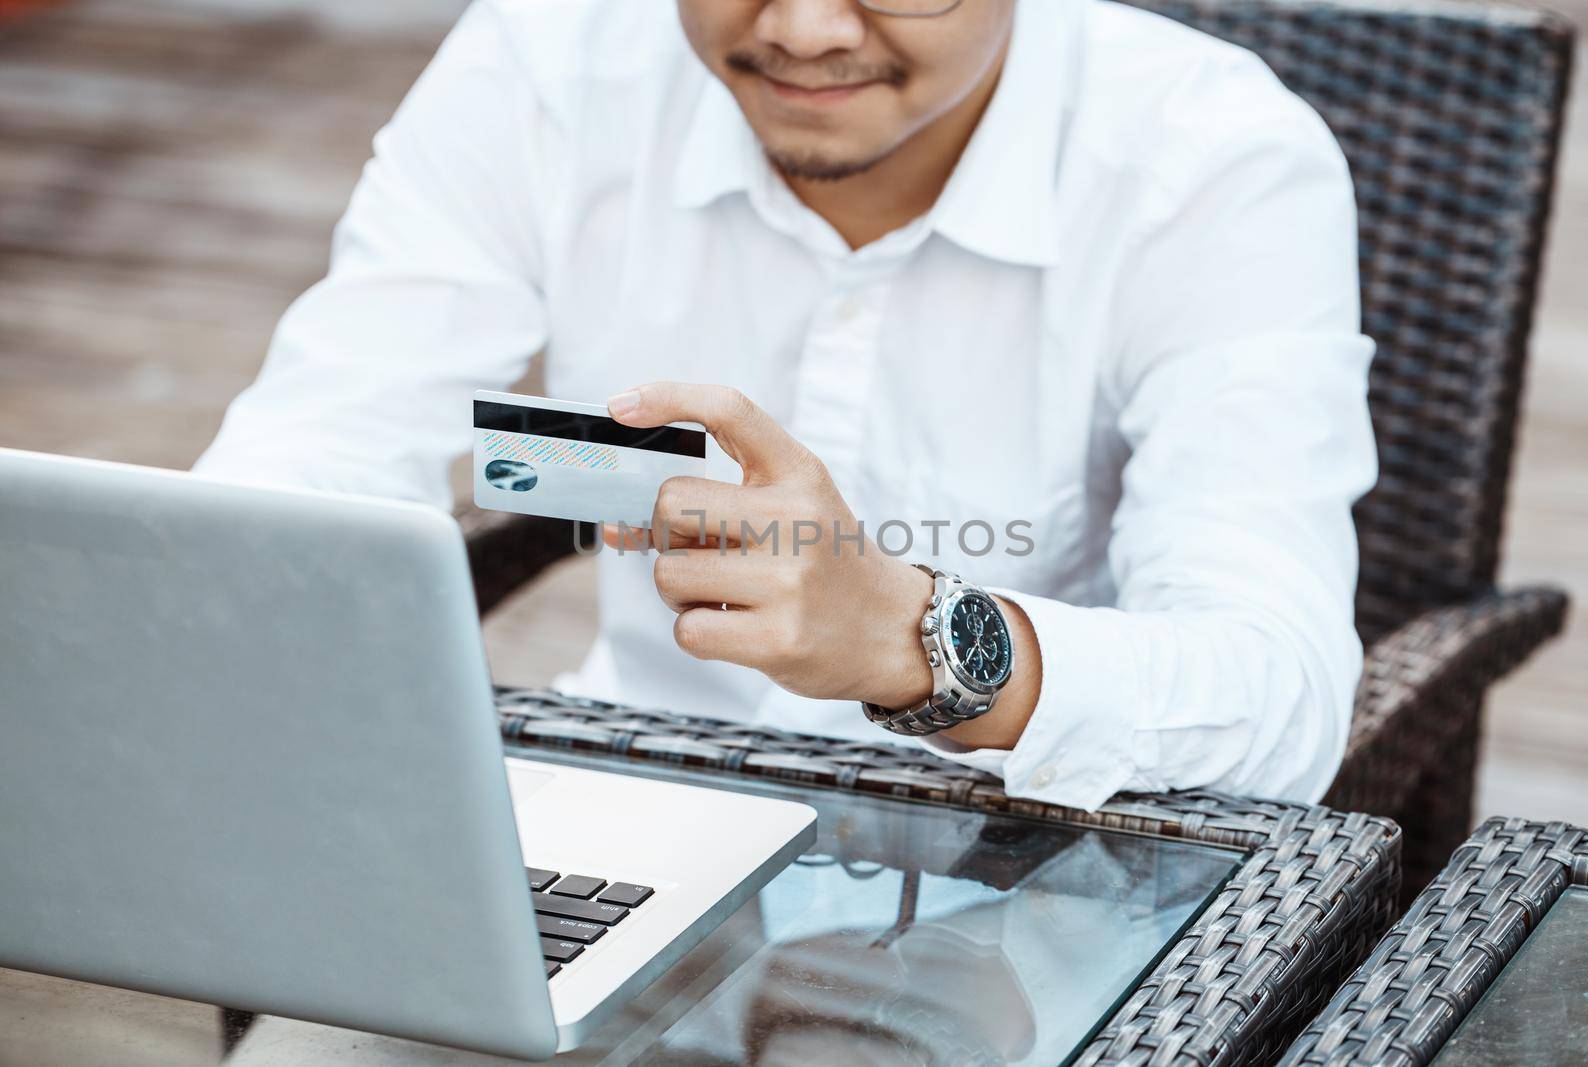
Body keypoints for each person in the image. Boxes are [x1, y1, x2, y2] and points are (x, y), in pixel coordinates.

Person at [194, 0, 1377, 811]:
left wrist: (914, 641)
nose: (805, 29)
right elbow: (311, 456)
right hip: (625, 795)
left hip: (1041, 854)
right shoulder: (546, 60)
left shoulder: (1213, 159)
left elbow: (1282, 698)